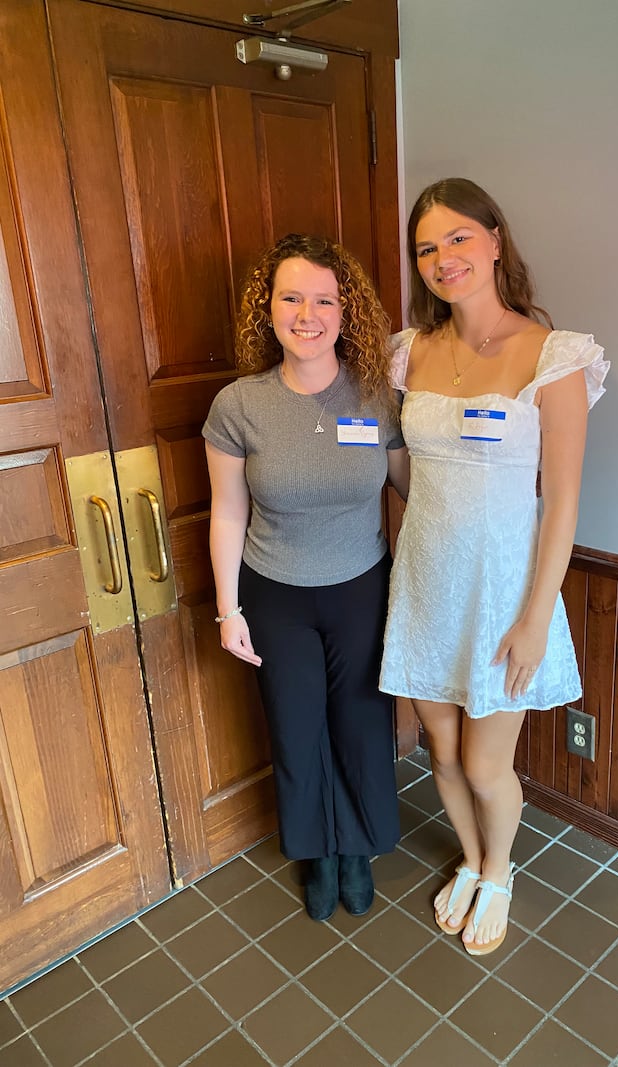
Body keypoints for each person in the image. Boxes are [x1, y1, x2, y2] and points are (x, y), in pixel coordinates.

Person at [380, 178, 609, 955]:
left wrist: (535, 618)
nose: (444, 259)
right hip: (426, 579)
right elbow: (405, 467)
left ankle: (502, 870)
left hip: (506, 588)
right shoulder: (409, 352)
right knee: (441, 751)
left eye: (457, 239)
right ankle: (473, 862)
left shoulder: (555, 355)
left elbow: (565, 499)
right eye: (427, 248)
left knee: (484, 762)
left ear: (494, 240)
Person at [203, 233, 409, 923]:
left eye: (324, 299)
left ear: (345, 312)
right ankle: (316, 853)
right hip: (274, 590)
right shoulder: (239, 405)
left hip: (361, 586)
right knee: (296, 728)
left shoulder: (377, 397)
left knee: (359, 722)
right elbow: (228, 512)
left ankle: (356, 849)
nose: (308, 313)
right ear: (268, 309)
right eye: (291, 297)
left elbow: (415, 487)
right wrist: (228, 611)